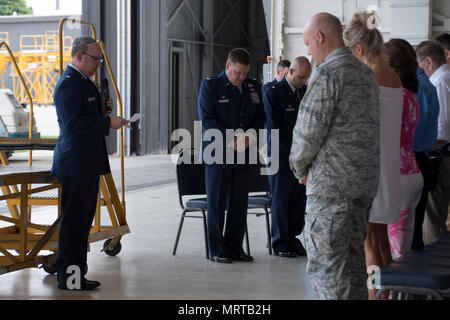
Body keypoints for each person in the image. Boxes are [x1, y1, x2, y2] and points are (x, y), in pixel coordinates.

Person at [289, 12, 380, 300]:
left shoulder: (327, 74)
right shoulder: (366, 74)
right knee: (353, 269)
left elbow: (307, 133)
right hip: (361, 188)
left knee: (328, 272)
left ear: (319, 37)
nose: (308, 51)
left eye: (307, 43)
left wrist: (299, 168)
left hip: (330, 192)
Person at [52, 37, 129, 290]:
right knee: (74, 224)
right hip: (75, 163)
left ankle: (77, 276)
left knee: (83, 222)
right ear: (79, 56)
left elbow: (87, 118)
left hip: (88, 162)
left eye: (100, 60)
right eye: (96, 59)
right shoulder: (68, 85)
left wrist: (103, 113)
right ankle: (69, 278)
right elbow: (72, 124)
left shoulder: (85, 84)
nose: (99, 64)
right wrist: (107, 123)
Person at [343, 10, 403, 300]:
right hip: (390, 172)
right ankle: (389, 294)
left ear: (358, 49)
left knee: (369, 245)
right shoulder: (394, 77)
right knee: (381, 242)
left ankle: (373, 296)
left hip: (369, 172)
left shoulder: (368, 79)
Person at [198, 48, 266, 263]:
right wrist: (233, 139)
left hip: (244, 152)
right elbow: (208, 120)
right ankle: (217, 249)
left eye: (244, 73)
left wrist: (249, 136)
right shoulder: (211, 85)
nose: (241, 78)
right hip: (218, 153)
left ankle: (235, 247)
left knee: (239, 203)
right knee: (217, 203)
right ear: (227, 66)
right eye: (237, 72)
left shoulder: (253, 86)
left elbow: (261, 116)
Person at [263, 56, 311, 257]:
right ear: (290, 72)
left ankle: (292, 237)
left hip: (300, 156)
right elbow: (275, 129)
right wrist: (295, 153)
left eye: (305, 79)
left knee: (298, 199)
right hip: (280, 155)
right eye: (300, 77)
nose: (302, 82)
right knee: (281, 199)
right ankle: (280, 241)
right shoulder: (273, 92)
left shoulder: (304, 92)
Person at [383, 39, 423, 259]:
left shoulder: (394, 97)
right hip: (411, 171)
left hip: (396, 176)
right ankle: (399, 293)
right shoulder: (410, 95)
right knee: (402, 246)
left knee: (393, 250)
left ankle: (389, 293)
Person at [415, 40, 450, 244]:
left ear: (428, 61)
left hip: (442, 155)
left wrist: (426, 145)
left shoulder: (440, 81)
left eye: (420, 68)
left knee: (432, 217)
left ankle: (432, 269)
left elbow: (443, 125)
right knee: (440, 214)